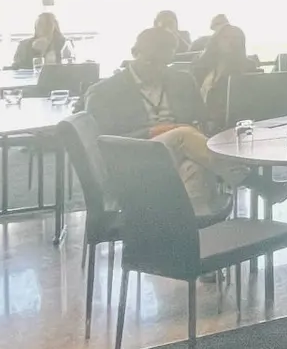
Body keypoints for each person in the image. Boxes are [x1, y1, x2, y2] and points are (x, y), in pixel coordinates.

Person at [86, 27, 238, 214]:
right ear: (134, 53)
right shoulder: (105, 91)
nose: (157, 68)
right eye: (151, 61)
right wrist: (166, 130)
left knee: (194, 167)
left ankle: (194, 230)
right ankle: (250, 180)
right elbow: (104, 139)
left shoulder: (181, 80)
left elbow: (202, 118)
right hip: (132, 155)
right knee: (183, 134)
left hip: (177, 152)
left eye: (164, 63)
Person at [190, 22, 254, 126]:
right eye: (226, 38)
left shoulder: (248, 67)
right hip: (199, 121)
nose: (231, 42)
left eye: (236, 38)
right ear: (216, 41)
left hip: (229, 123)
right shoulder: (200, 66)